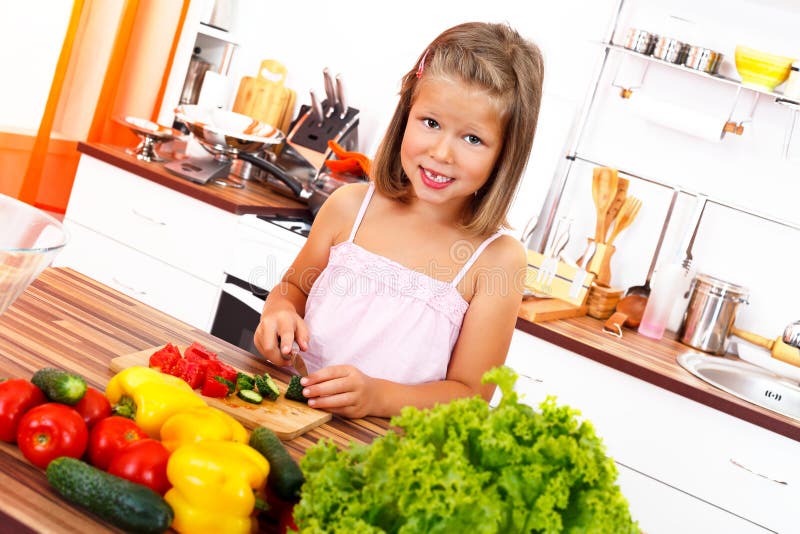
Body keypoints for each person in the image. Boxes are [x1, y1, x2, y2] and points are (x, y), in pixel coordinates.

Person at [254, 21, 544, 418]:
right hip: (293, 421)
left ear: (505, 155)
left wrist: (379, 397)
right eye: (431, 122)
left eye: (472, 139)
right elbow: (292, 289)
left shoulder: (497, 260)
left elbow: (471, 395)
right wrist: (279, 312)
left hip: (386, 458)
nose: (442, 152)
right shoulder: (349, 207)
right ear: (407, 113)